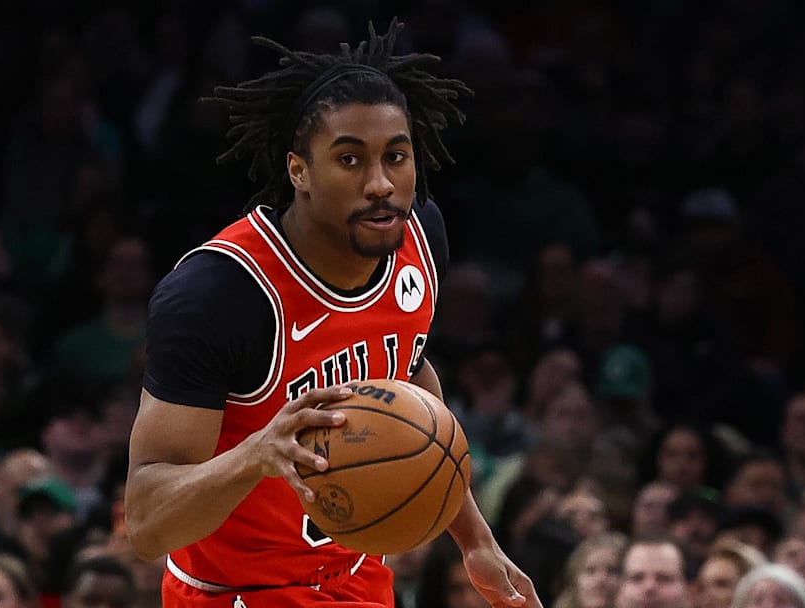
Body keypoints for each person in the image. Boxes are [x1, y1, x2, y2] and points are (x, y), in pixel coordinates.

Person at [124, 18, 539, 608]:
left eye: (396, 156)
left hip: (358, 578)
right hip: (235, 593)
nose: (381, 184)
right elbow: (146, 522)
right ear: (299, 170)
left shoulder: (421, 236)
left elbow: (408, 375)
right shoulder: (221, 293)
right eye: (350, 159)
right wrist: (254, 456)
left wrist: (475, 539)